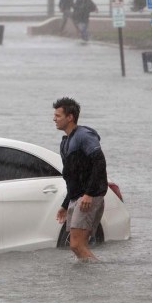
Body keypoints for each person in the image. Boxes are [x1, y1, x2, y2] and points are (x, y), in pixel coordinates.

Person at [52, 97, 108, 261]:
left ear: (70, 117)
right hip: (77, 197)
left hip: (88, 197)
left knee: (76, 245)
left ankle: (100, 273)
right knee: (79, 245)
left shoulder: (84, 136)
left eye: (58, 115)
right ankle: (88, 281)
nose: (54, 119)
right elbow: (72, 178)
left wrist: (89, 194)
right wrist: (65, 204)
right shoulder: (65, 142)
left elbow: (100, 162)